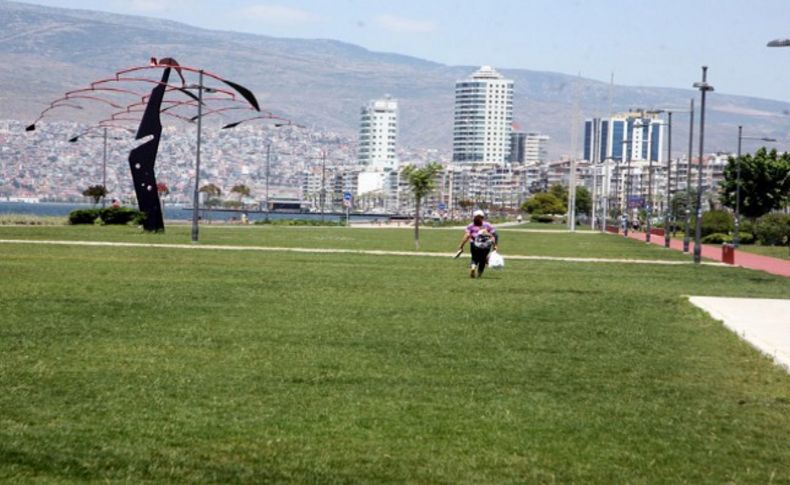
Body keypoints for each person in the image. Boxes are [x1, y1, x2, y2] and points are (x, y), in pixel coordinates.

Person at [457, 210, 498, 278]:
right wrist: (495, 245)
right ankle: (479, 274)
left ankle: (473, 267)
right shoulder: (487, 225)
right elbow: (493, 236)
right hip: (486, 245)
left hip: (474, 244)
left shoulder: (471, 225)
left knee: (474, 258)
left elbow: (467, 236)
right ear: (483, 217)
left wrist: (461, 245)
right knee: (483, 260)